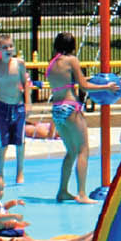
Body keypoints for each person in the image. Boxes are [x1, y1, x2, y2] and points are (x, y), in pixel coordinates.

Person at [44, 33, 94, 203]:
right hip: (71, 106)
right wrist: (107, 87)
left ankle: (63, 191)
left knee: (71, 152)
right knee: (83, 150)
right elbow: (84, 85)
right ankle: (82, 193)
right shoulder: (71, 60)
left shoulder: (52, 63)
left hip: (57, 109)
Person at [0, 33, 31, 184]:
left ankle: (19, 173)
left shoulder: (19, 63)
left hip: (18, 107)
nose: (9, 49)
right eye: (5, 47)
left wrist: (28, 102)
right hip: (2, 107)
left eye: (11, 46)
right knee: (3, 142)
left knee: (20, 142)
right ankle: (0, 173)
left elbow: (26, 83)